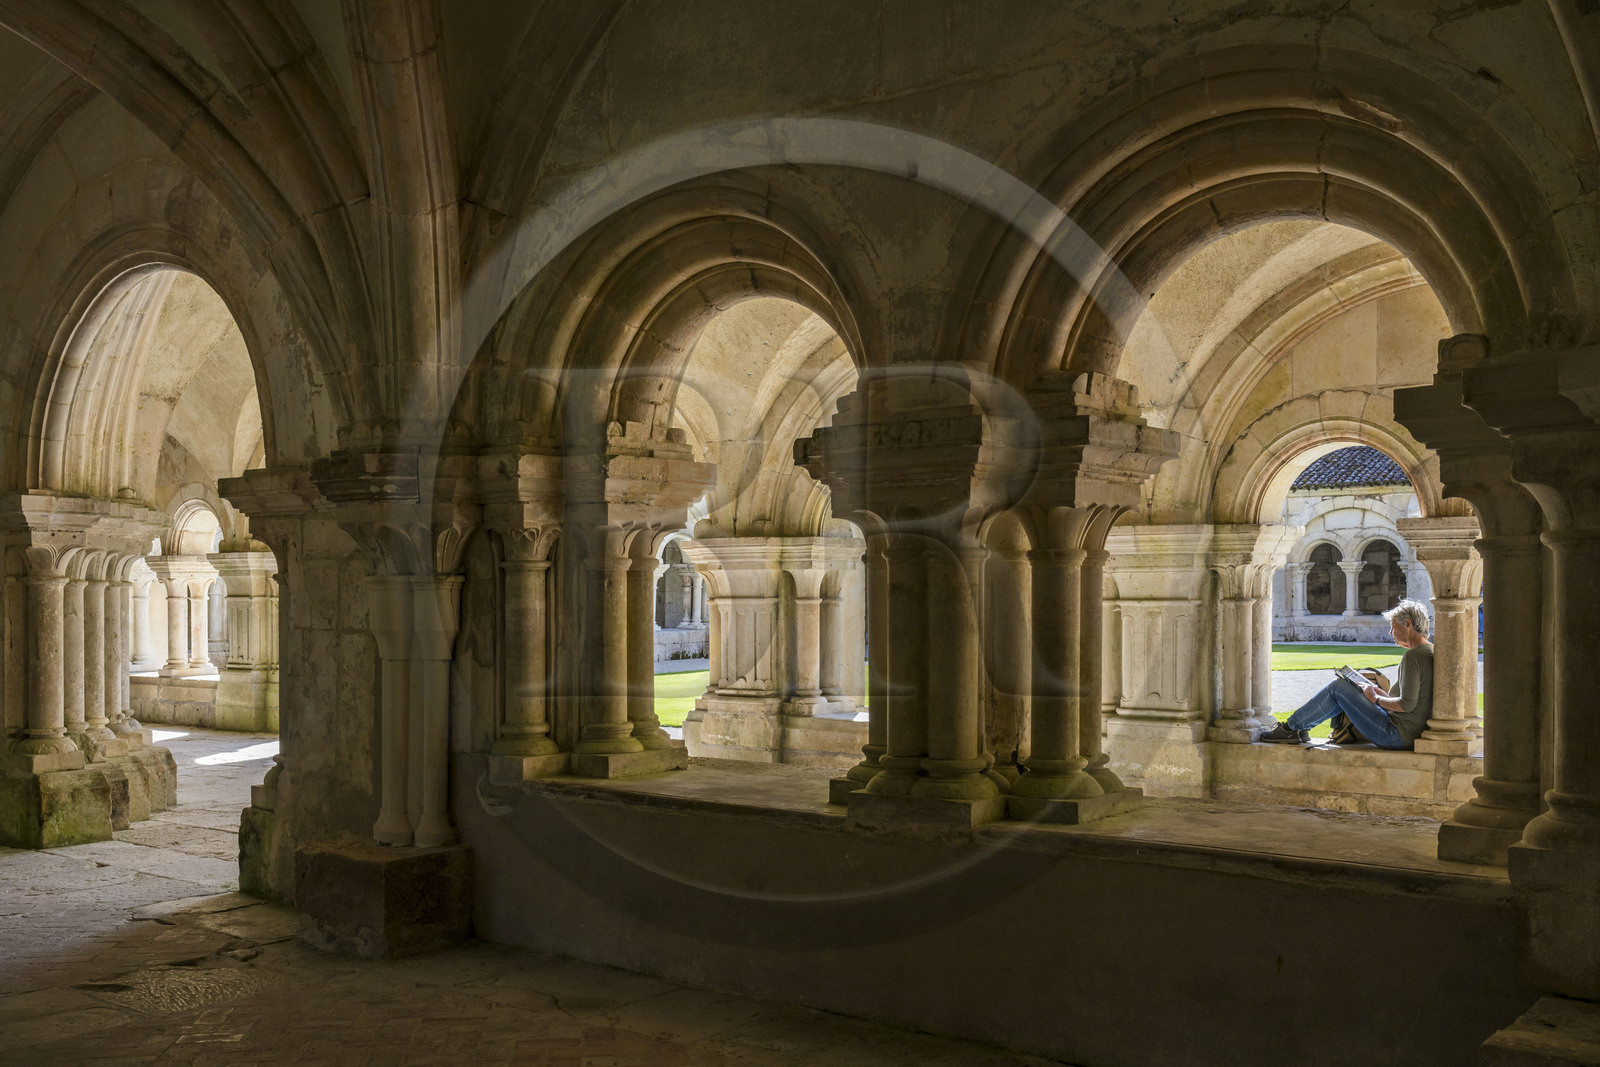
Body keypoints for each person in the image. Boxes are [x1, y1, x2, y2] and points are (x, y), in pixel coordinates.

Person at [1257, 599, 1435, 748]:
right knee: (1349, 688)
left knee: (1338, 688)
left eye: (1393, 626)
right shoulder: (1430, 651)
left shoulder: (1413, 656)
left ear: (1408, 624)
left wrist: (1376, 699)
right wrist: (1379, 694)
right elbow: (1412, 702)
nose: (1390, 632)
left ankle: (1290, 729)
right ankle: (1299, 729)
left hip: (1395, 735)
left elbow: (1406, 705)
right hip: (1407, 733)